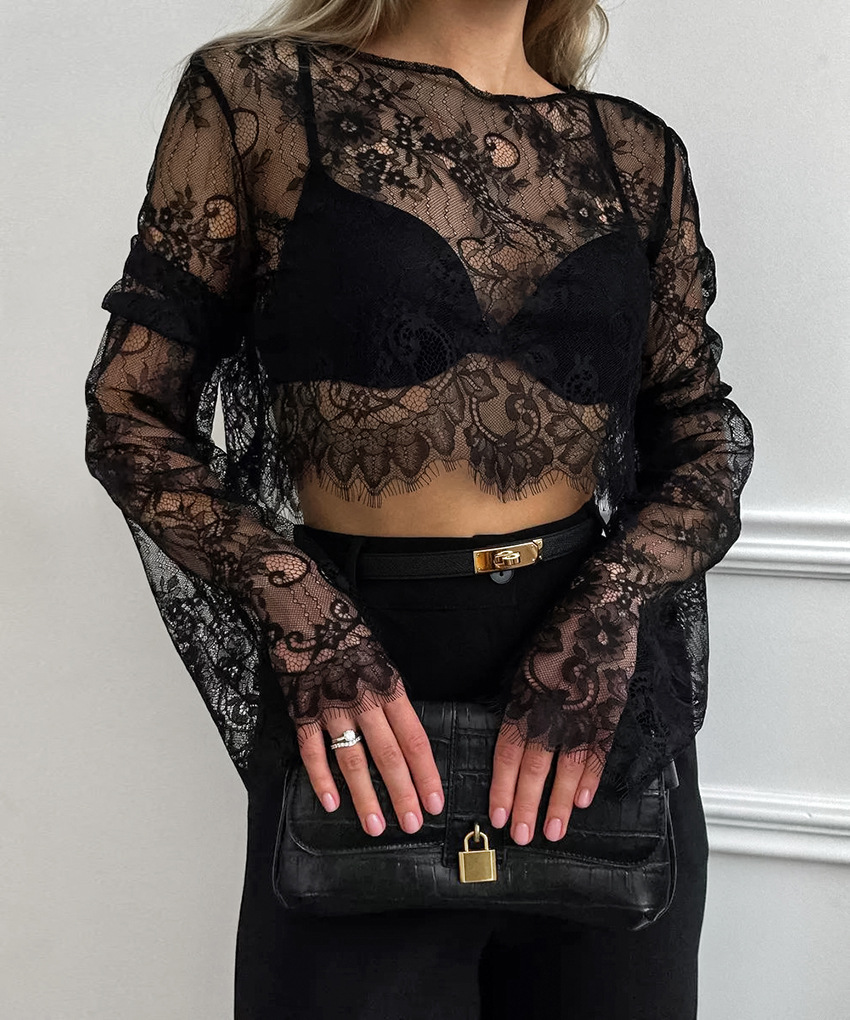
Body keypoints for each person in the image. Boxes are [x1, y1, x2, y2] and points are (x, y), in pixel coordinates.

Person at [83, 0, 755, 1016]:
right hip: (362, 686)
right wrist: (302, 606)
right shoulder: (260, 98)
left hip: (594, 695)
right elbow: (129, 410)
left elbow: (699, 430)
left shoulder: (634, 151)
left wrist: (610, 606)